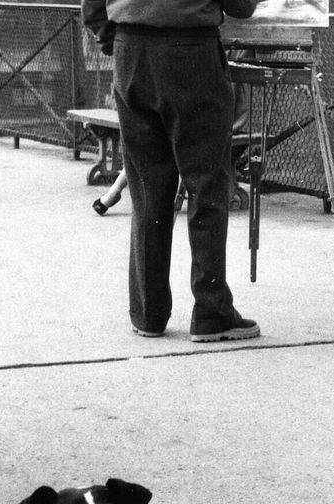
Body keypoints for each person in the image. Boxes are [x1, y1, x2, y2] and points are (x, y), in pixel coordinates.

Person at [82, 0, 262, 342]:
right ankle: (212, 312)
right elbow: (241, 5)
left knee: (147, 189)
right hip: (191, 53)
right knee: (206, 186)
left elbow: (92, 7)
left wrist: (116, 40)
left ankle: (148, 312)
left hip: (130, 51)